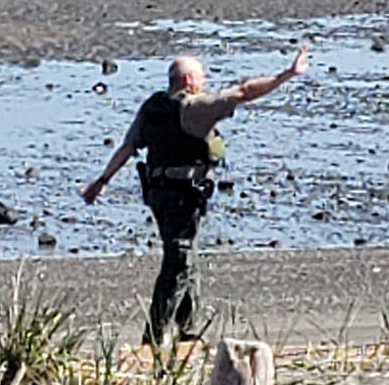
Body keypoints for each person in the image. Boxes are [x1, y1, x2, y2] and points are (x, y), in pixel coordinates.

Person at [81, 46, 310, 346]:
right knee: (178, 262)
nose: (204, 83)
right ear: (189, 81)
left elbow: (127, 148)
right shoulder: (194, 108)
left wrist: (102, 180)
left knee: (186, 258)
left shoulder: (152, 108)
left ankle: (188, 330)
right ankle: (154, 336)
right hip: (181, 198)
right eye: (201, 78)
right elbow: (244, 92)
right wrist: (286, 75)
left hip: (158, 195)